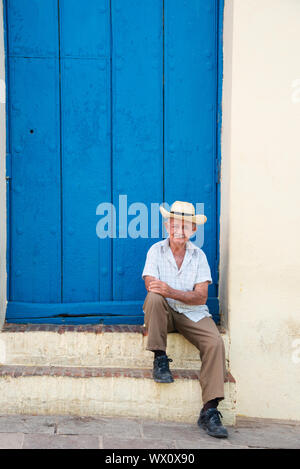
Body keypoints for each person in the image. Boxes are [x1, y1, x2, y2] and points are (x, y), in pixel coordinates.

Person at [141, 201, 228, 439]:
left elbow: (201, 297)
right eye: (175, 224)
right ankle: (160, 358)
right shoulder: (155, 251)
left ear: (193, 231)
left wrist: (171, 291)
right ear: (167, 226)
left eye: (186, 226)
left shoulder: (199, 256)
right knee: (154, 299)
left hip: (193, 314)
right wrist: (169, 293)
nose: (180, 230)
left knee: (215, 343)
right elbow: (151, 284)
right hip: (165, 313)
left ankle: (209, 411)